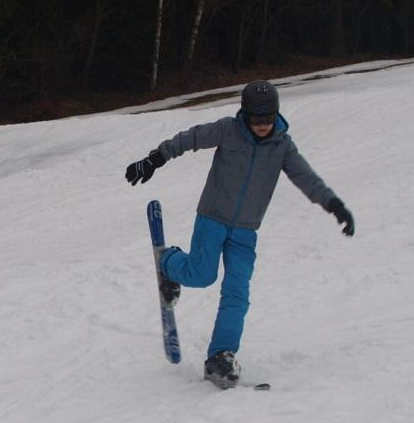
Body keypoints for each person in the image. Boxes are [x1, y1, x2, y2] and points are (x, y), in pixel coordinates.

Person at [125, 80, 354, 389]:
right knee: (202, 274)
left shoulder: (282, 146)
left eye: (268, 118)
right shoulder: (227, 130)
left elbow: (306, 178)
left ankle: (220, 355)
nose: (262, 125)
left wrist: (333, 204)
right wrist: (156, 158)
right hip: (212, 218)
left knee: (237, 292)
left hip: (246, 230)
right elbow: (190, 138)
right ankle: (168, 263)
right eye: (256, 119)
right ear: (245, 114)